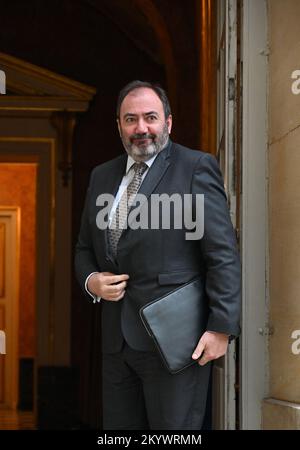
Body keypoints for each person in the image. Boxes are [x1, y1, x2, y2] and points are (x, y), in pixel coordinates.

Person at [75, 80, 241, 430]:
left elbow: (221, 253)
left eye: (150, 117)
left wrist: (221, 328)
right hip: (116, 343)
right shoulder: (102, 176)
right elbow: (84, 249)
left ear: (168, 122)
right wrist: (92, 281)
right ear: (118, 125)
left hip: (176, 341)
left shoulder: (195, 167)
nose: (141, 128)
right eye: (131, 119)